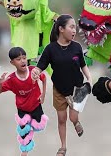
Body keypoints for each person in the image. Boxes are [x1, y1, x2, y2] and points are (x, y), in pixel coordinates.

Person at [31, 14, 92, 156]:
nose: (74, 30)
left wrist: (89, 78)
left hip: (78, 90)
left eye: (75, 27)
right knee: (62, 119)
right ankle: (63, 147)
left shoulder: (77, 47)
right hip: (59, 90)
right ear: (61, 29)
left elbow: (83, 66)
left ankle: (76, 122)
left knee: (73, 118)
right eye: (71, 27)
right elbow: (40, 66)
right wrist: (35, 71)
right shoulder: (50, 49)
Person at [0, 47, 48, 156]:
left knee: (39, 124)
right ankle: (24, 152)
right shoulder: (11, 79)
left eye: (24, 58)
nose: (23, 61)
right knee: (24, 130)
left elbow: (44, 79)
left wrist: (43, 94)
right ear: (12, 62)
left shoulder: (33, 71)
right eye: (18, 59)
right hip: (22, 109)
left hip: (35, 105)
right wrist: (0, 83)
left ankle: (32, 126)